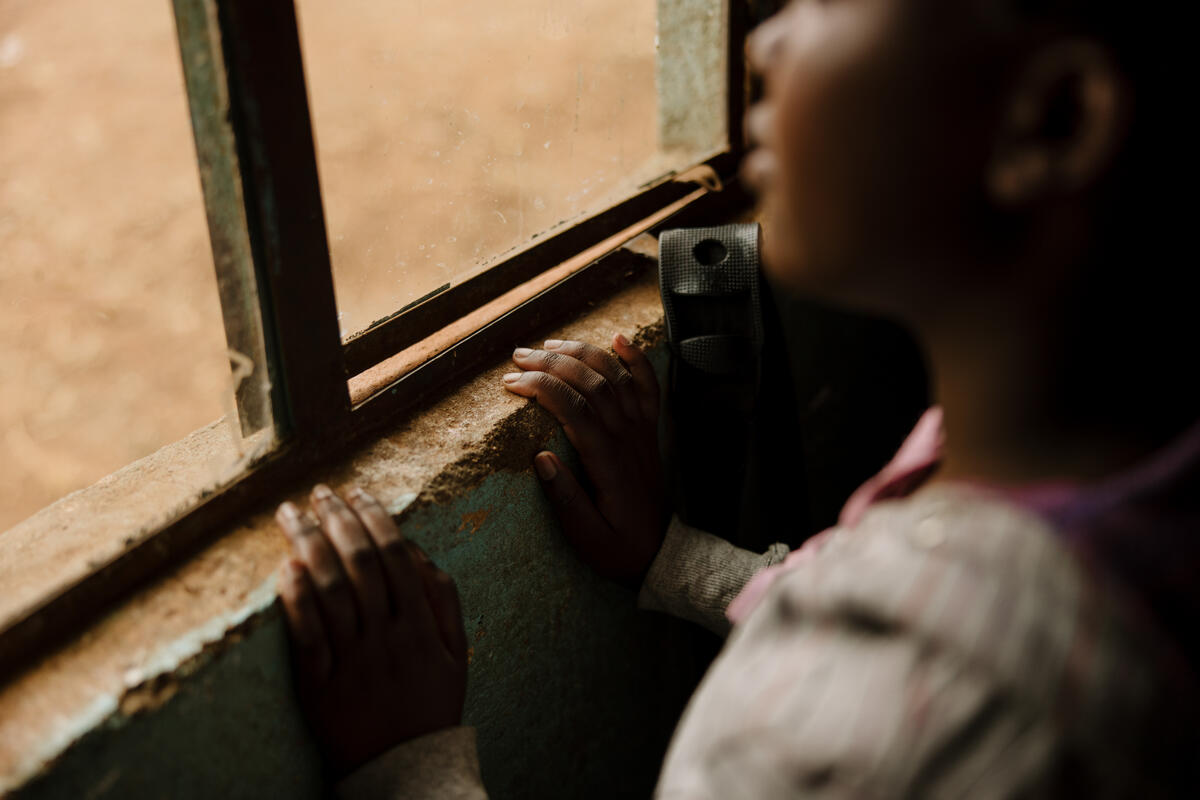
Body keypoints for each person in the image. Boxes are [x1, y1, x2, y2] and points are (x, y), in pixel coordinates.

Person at [275, 0, 1199, 795]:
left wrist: (412, 767)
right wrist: (678, 559)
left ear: (1056, 120)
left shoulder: (917, 711)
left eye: (827, 0)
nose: (762, 41)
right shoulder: (1090, 459)